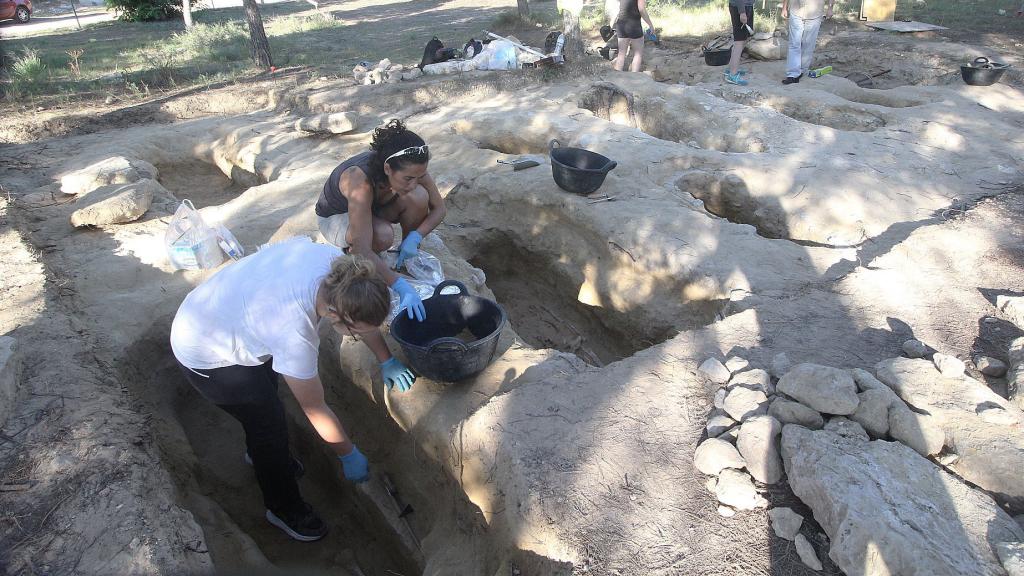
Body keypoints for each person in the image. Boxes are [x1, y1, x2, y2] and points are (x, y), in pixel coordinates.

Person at [170, 242, 417, 542]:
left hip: (224, 311)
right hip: (204, 349)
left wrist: (386, 359)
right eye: (356, 332)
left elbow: (362, 317)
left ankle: (263, 456)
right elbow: (314, 407)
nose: (359, 335)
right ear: (336, 316)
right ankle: (283, 508)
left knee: (266, 397)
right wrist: (347, 453)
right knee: (268, 425)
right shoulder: (293, 330)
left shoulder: (339, 271)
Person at [316, 119, 447, 323]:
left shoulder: (412, 168)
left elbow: (439, 209)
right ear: (387, 169)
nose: (414, 183)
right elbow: (361, 248)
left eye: (419, 176)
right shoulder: (358, 180)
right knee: (382, 236)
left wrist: (415, 236)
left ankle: (403, 256)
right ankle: (361, 259)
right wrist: (400, 286)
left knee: (418, 197)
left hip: (372, 208)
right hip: (335, 217)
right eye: (408, 179)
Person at [781, 0, 834, 84]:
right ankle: (792, 75)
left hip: (815, 12)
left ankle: (802, 70)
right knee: (794, 43)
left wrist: (830, 8)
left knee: (808, 43)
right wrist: (784, 7)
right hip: (796, 9)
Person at [612, 0, 656, 72]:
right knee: (638, 54)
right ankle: (635, 77)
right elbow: (641, 9)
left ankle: (617, 77)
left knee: (621, 53)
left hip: (621, 23)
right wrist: (650, 25)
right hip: (634, 25)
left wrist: (612, 22)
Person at [725, 0, 754, 85]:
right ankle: (732, 75)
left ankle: (731, 69)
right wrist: (742, 12)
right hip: (741, 8)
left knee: (744, 39)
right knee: (739, 42)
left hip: (746, 6)